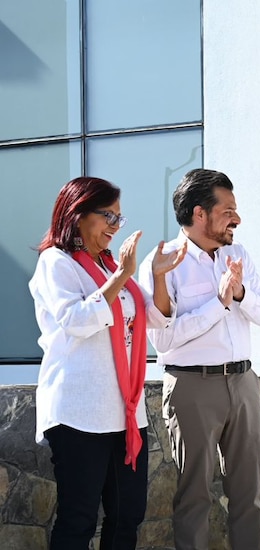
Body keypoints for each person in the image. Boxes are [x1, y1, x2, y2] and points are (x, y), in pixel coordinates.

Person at [30, 177, 186, 549]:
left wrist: (159, 275)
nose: (116, 227)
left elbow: (156, 317)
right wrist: (122, 275)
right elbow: (77, 320)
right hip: (79, 411)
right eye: (108, 217)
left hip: (125, 413)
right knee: (78, 518)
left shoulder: (109, 266)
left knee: (127, 516)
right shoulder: (57, 262)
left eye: (119, 218)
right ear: (78, 213)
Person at [137, 168, 260, 550]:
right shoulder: (163, 262)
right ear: (200, 214)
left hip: (244, 382)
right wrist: (218, 304)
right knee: (195, 494)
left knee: (248, 493)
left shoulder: (238, 255)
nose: (237, 218)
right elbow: (163, 339)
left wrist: (240, 291)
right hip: (191, 385)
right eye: (228, 209)